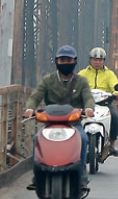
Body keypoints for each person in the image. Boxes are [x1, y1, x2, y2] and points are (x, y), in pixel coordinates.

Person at [24, 45, 95, 192]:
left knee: (83, 139)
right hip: (51, 124)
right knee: (37, 138)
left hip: (73, 124)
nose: (65, 63)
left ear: (75, 61)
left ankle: (81, 176)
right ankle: (37, 177)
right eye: (62, 60)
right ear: (56, 61)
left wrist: (89, 109)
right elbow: (35, 96)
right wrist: (30, 108)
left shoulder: (81, 81)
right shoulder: (48, 80)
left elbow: (88, 98)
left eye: (69, 60)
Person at [78, 47, 118, 159]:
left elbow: (115, 85)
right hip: (86, 104)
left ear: (103, 61)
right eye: (95, 60)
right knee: (73, 117)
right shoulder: (83, 73)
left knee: (115, 117)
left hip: (104, 103)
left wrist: (117, 93)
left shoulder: (109, 74)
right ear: (90, 60)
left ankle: (112, 144)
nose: (97, 62)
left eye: (100, 60)